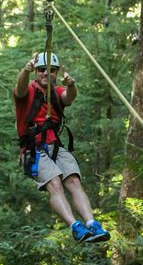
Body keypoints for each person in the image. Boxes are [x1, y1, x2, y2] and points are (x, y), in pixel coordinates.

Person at [13, 51, 110, 243]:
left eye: (51, 71)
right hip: (32, 151)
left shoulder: (57, 93)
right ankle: (75, 227)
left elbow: (69, 97)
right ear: (36, 72)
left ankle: (92, 224)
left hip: (55, 146)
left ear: (56, 73)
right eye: (41, 70)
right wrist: (25, 70)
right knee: (55, 184)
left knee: (73, 181)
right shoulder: (28, 92)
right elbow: (20, 87)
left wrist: (71, 85)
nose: (45, 74)